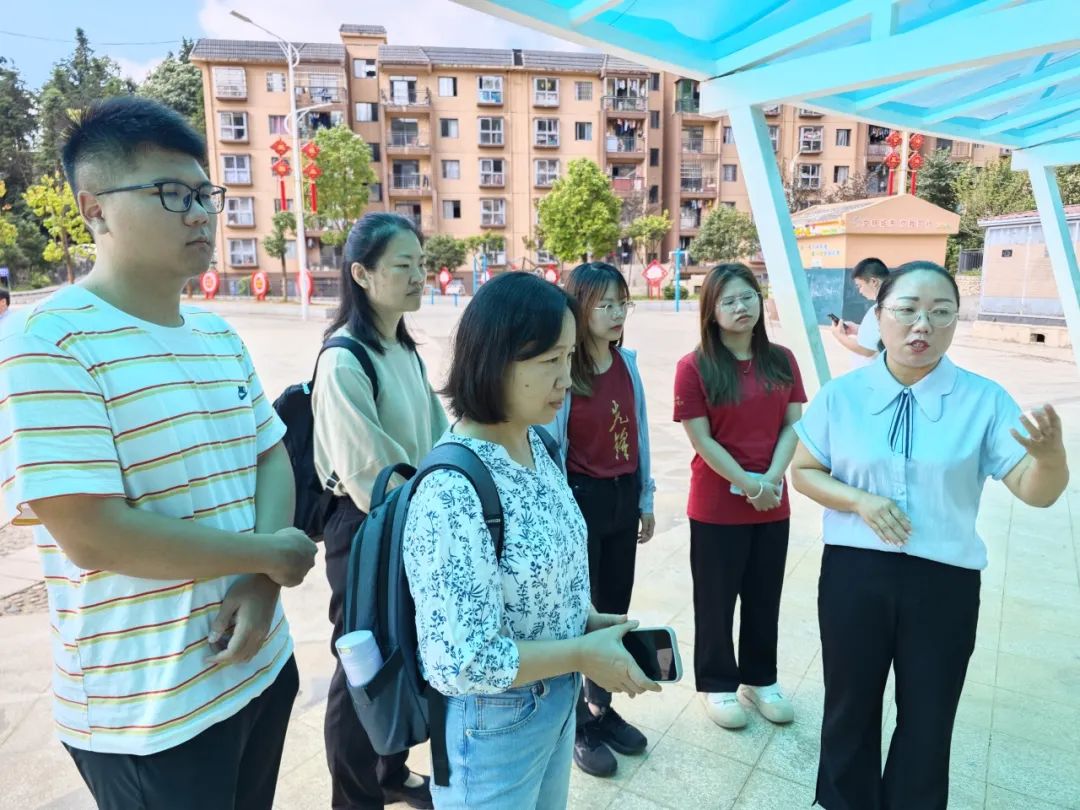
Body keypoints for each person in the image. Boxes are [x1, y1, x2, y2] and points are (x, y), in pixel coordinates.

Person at [0, 96, 318, 809]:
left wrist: (262, 582)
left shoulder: (217, 334)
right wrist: (266, 556)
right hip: (151, 711)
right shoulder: (46, 339)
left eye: (206, 194)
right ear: (95, 209)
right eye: (173, 194)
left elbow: (269, 454)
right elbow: (92, 533)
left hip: (260, 667)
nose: (201, 214)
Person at [791, 261, 1070, 810]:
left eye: (941, 313)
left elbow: (1035, 491)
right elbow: (803, 471)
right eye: (908, 310)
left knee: (929, 713)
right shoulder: (842, 396)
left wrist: (1051, 458)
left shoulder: (983, 400)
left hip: (945, 581)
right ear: (878, 316)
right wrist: (860, 500)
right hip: (855, 574)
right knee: (849, 703)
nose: (923, 325)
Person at [403, 272, 660, 809]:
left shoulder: (536, 445)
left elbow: (542, 571)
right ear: (495, 360)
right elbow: (462, 660)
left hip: (555, 705)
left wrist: (584, 621)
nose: (567, 378)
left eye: (570, 357)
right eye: (549, 361)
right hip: (492, 730)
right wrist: (581, 653)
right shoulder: (452, 491)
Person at [313, 212, 447, 809]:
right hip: (366, 528)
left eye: (422, 263)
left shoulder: (403, 349)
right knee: (362, 666)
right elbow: (370, 473)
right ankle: (354, 798)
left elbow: (438, 437)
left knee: (403, 650)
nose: (419, 275)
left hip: (409, 516)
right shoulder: (345, 359)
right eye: (404, 265)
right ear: (361, 274)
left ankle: (390, 771)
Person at [673, 263, 807, 730]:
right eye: (728, 300)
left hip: (772, 502)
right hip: (716, 506)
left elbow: (794, 425)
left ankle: (760, 678)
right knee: (715, 600)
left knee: (764, 596)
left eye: (747, 296)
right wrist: (749, 484)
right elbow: (702, 439)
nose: (740, 307)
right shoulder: (694, 367)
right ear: (711, 311)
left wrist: (770, 479)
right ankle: (717, 684)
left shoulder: (782, 360)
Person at [546, 262, 656, 777]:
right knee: (577, 610)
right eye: (604, 304)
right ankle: (576, 723)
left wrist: (645, 498)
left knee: (614, 606)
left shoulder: (626, 363)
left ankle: (601, 707)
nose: (616, 314)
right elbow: (552, 447)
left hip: (623, 495)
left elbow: (640, 434)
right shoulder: (566, 371)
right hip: (581, 499)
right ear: (580, 308)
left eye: (621, 303)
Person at [830, 257, 889, 370]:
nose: (860, 291)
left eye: (860, 286)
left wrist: (840, 336)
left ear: (874, 282)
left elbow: (866, 350)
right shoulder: (893, 305)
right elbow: (880, 336)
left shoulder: (879, 310)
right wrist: (858, 329)